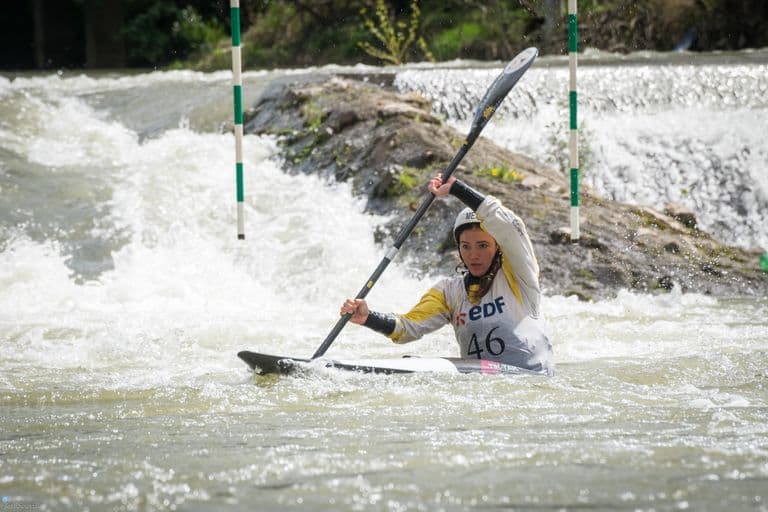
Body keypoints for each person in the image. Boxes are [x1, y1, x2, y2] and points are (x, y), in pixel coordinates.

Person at [340, 173, 554, 376]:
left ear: (497, 247)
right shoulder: (449, 292)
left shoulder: (518, 275)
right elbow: (408, 328)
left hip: (532, 378)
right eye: (466, 246)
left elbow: (509, 227)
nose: (474, 255)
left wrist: (456, 188)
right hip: (486, 385)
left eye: (482, 245)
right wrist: (368, 318)